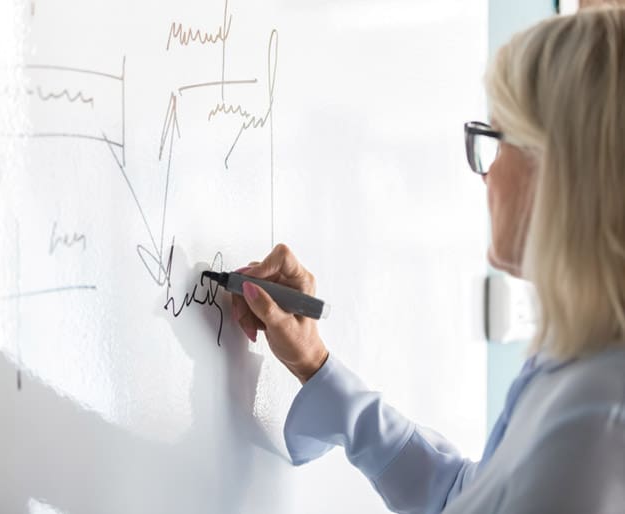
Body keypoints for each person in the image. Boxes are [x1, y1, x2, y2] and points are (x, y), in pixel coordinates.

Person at [231, 7, 625, 513]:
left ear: (562, 171)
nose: (486, 174)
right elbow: (459, 496)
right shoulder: (569, 371)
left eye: (497, 140)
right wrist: (314, 363)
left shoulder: (596, 425)